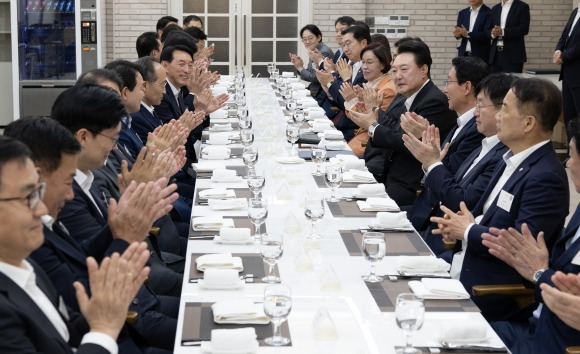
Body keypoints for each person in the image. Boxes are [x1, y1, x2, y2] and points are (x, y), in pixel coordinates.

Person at [431, 77, 570, 321]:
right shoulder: (510, 158)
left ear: (528, 123)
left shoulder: (546, 177)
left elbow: (518, 248)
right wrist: (460, 225)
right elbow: (487, 217)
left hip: (488, 290)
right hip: (460, 263)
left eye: (505, 108)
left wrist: (467, 231)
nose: (497, 116)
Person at [0, 135, 150, 354]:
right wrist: (103, 329)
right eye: (29, 197)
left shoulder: (27, 268)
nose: (41, 210)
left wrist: (103, 310)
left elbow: (65, 335)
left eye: (38, 194)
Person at [480, 116, 580, 353]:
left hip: (553, 344)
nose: (568, 164)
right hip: (529, 327)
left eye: (573, 156)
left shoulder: (544, 176)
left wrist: (539, 273)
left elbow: (562, 290)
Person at [404, 73, 512, 254]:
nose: (475, 111)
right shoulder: (484, 144)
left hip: (447, 239)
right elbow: (451, 181)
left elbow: (460, 201)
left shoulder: (501, 156)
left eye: (481, 105)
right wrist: (431, 162)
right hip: (433, 221)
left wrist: (432, 162)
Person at [349, 39, 457, 206]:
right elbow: (393, 125)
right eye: (394, 71)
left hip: (408, 184)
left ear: (423, 69)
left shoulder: (435, 101)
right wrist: (374, 112)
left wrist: (372, 124)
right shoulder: (403, 94)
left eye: (404, 70)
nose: (398, 76)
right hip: (385, 171)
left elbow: (404, 141)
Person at [340, 43, 397, 156]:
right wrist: (357, 101)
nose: (364, 67)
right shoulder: (370, 84)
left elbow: (374, 122)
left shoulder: (388, 90)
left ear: (382, 65)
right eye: (363, 62)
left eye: (369, 63)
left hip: (370, 144)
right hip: (360, 138)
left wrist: (352, 101)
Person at [554, 5, 580, 145]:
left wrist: (564, 56)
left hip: (577, 74)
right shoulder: (575, 11)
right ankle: (571, 155)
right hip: (568, 74)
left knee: (578, 119)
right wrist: (558, 50)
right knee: (569, 118)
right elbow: (565, 35)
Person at [289, 24, 334, 96]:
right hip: (312, 90)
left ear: (319, 37)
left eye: (310, 38)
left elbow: (315, 78)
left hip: (320, 93)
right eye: (304, 39)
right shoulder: (313, 49)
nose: (307, 42)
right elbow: (311, 73)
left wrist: (300, 68)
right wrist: (300, 66)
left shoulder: (323, 52)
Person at [486, 0, 530, 73]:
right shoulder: (495, 8)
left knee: (512, 83)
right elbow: (488, 29)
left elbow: (524, 29)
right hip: (495, 55)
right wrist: (493, 33)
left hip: (513, 55)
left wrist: (503, 32)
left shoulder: (522, 6)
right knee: (494, 83)